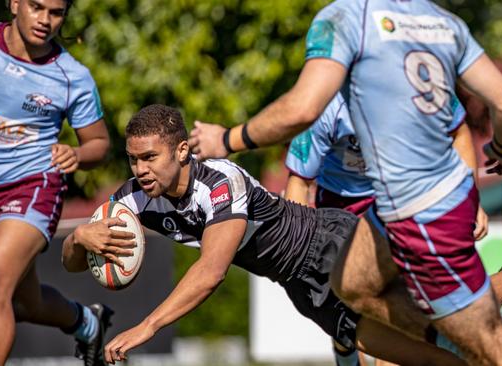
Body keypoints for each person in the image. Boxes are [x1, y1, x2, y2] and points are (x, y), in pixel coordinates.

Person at [186, 1, 502, 364]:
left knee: (490, 348)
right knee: (350, 284)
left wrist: (227, 140)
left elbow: (301, 108)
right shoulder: (440, 20)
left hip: (425, 210)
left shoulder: (345, 17)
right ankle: (442, 334)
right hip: (393, 207)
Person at [61, 104, 469, 366]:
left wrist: (146, 327)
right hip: (299, 285)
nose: (140, 169)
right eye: (133, 160)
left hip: (332, 247)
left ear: (182, 150)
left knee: (437, 324)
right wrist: (80, 239)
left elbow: (211, 272)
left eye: (150, 157)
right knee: (429, 358)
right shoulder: (135, 197)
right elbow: (73, 262)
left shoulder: (220, 182)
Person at [0, 1, 112, 365]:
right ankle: (87, 323)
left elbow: (100, 144)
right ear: (14, 3)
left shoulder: (72, 76)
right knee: (24, 304)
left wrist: (78, 154)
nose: (45, 20)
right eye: (36, 6)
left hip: (33, 186)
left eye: (56, 12)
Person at [283, 92, 486, 366]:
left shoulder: (423, 80)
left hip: (401, 197)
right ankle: (344, 343)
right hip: (339, 208)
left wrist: (469, 198)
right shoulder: (324, 103)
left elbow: (458, 135)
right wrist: (302, 246)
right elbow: (300, 182)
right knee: (348, 306)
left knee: (395, 304)